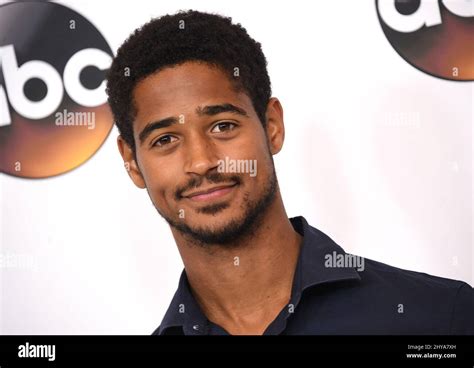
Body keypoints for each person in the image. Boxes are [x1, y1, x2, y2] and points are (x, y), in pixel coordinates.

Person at [106, 10, 473, 335]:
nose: (201, 162)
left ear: (272, 126)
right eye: (166, 139)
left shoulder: (440, 317)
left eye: (222, 126)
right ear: (132, 162)